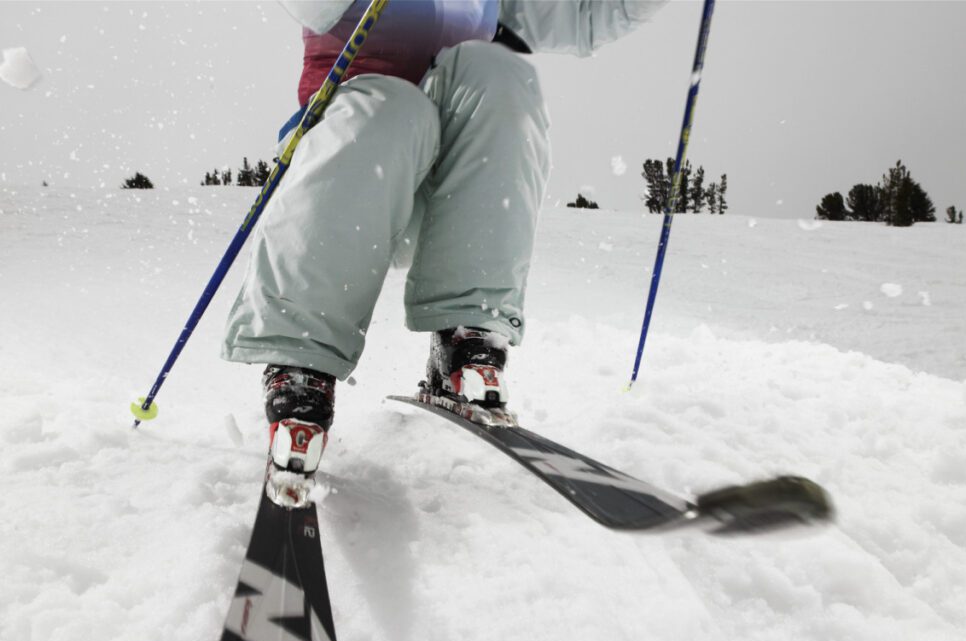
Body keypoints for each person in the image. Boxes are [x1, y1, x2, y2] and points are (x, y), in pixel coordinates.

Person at [221, 0, 667, 500]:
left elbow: (587, 15)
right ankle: (302, 364)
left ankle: (465, 335)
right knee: (388, 105)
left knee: (499, 72)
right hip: (352, 177)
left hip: (450, 199)